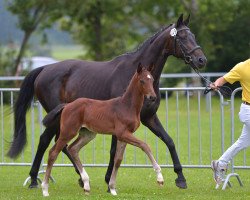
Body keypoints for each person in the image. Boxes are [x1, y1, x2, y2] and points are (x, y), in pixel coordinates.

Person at [210, 58, 250, 185]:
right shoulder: (242, 67)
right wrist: (216, 84)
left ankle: (220, 163)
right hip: (248, 110)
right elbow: (223, 79)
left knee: (243, 142)